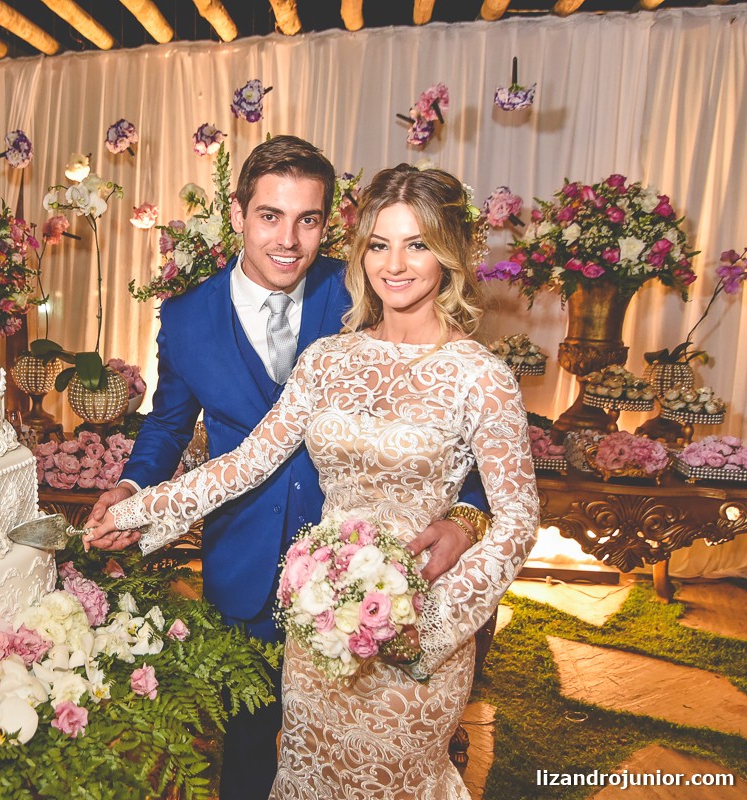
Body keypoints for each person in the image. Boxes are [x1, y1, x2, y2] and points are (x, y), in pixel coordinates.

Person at [87, 163, 538, 798]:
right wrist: (134, 510)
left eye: (417, 245)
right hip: (320, 630)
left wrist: (425, 627)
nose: (396, 265)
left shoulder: (481, 376)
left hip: (418, 634)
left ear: (450, 254)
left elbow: (518, 520)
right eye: (380, 244)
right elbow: (246, 463)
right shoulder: (327, 359)